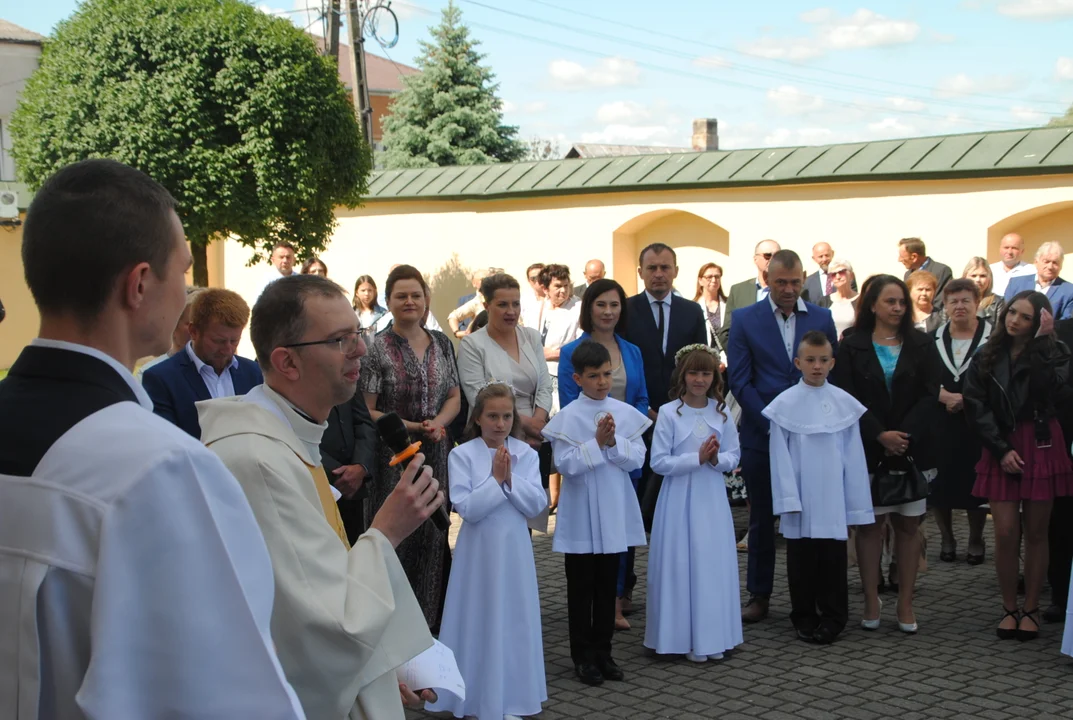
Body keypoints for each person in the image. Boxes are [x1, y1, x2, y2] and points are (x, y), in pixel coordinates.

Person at [0, 158, 303, 717]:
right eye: (183, 271)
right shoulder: (158, 469)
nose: (187, 293)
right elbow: (229, 697)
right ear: (140, 284)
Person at [198, 274, 443, 718]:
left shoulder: (290, 436)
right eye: (340, 340)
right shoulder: (256, 459)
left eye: (358, 334)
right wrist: (386, 532)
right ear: (287, 362)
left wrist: (379, 673)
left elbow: (320, 586)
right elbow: (319, 628)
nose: (361, 350)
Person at [727, 249, 839, 623]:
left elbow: (829, 374)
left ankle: (808, 596)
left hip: (813, 439)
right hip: (764, 434)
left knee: (809, 515)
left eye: (795, 282)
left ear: (803, 279)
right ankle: (759, 595)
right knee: (762, 517)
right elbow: (740, 380)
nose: (789, 290)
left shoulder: (822, 317)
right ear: (768, 281)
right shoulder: (745, 319)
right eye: (781, 283)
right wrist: (773, 422)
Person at [429, 383, 548, 720]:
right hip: (477, 553)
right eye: (493, 416)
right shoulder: (461, 454)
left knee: (512, 616)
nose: (500, 423)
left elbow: (537, 503)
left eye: (507, 416)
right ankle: (472, 697)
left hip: (513, 549)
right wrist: (495, 480)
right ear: (478, 418)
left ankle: (511, 697)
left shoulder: (526, 454)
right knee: (477, 615)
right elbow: (468, 508)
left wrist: (510, 480)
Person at [963, 290, 1073, 641]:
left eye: (1025, 317)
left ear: (1039, 321)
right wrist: (1000, 449)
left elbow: (1053, 392)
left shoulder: (1055, 352)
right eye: (1012, 313)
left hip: (1041, 440)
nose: (1015, 321)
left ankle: (1032, 608)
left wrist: (1041, 347)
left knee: (1038, 533)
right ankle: (1009, 607)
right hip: (1001, 442)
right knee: (1007, 532)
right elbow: (975, 405)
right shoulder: (987, 353)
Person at [833, 275, 939, 635]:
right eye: (890, 301)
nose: (897, 308)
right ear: (873, 304)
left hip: (911, 449)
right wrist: (879, 433)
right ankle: (871, 598)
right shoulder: (852, 345)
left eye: (901, 302)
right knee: (870, 526)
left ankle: (905, 602)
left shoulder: (922, 344)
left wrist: (902, 437)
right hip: (867, 447)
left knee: (909, 526)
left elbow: (930, 394)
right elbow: (845, 395)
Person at [542, 341, 651, 687]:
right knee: (582, 587)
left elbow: (637, 459)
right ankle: (582, 656)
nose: (602, 381)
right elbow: (565, 464)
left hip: (614, 508)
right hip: (581, 515)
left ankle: (604, 651)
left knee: (607, 586)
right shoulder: (568, 417)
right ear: (577, 378)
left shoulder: (623, 412)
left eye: (607, 374)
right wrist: (596, 444)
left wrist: (615, 443)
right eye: (594, 376)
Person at [361, 264, 461, 629]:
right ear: (388, 301)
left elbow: (454, 397)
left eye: (416, 295)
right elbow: (368, 409)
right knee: (396, 538)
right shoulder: (376, 348)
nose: (409, 301)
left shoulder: (443, 343)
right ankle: (392, 628)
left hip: (435, 451)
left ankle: (431, 626)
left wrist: (439, 423)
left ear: (426, 300)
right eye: (401, 295)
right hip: (393, 457)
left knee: (434, 537)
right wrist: (412, 426)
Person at [764, 331, 873, 645]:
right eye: (810, 360)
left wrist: (854, 502)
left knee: (832, 560)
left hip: (832, 498)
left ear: (832, 363)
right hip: (799, 495)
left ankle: (834, 617)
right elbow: (779, 456)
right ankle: (804, 616)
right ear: (798, 362)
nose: (816, 366)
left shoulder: (844, 403)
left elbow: (853, 456)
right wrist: (787, 498)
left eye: (823, 360)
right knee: (801, 561)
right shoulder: (784, 404)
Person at [558, 278, 650, 629]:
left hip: (622, 442)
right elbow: (571, 403)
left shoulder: (632, 350)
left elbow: (640, 396)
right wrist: (596, 434)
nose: (609, 311)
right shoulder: (572, 352)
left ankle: (615, 601)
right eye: (601, 305)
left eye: (615, 305)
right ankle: (596, 610)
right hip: (587, 440)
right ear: (589, 309)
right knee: (590, 544)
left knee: (621, 528)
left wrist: (624, 429)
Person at [645, 345, 742, 661]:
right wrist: (695, 458)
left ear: (714, 376)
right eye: (693, 372)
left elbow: (733, 455)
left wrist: (715, 460)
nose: (699, 379)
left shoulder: (721, 412)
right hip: (678, 499)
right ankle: (679, 637)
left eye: (706, 373)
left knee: (710, 563)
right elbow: (659, 462)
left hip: (711, 498)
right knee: (681, 563)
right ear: (682, 375)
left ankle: (712, 636)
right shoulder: (670, 413)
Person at [458, 273, 555, 525]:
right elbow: (477, 395)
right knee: (498, 512)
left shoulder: (531, 337)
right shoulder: (472, 345)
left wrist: (539, 421)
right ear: (486, 305)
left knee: (528, 513)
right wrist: (524, 426)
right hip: (494, 437)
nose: (511, 311)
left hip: (535, 436)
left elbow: (544, 383)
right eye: (502, 304)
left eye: (516, 303)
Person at [624, 243, 707, 528]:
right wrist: (645, 410)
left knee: (673, 493)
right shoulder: (626, 310)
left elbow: (700, 364)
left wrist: (681, 407)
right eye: (652, 268)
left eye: (664, 267)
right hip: (637, 412)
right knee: (640, 492)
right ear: (640, 272)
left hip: (680, 412)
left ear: (676, 271)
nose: (659, 274)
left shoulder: (692, 311)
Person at [143, 288, 263, 438]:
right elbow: (165, 442)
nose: (227, 349)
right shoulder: (161, 379)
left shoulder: (254, 373)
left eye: (234, 341)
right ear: (193, 331)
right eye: (218, 341)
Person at [930, 279, 992, 565]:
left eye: (965, 300)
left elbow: (999, 379)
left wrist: (967, 399)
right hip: (941, 422)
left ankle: (976, 538)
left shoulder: (993, 339)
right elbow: (923, 378)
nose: (959, 306)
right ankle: (946, 537)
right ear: (945, 305)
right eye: (953, 301)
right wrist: (942, 396)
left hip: (978, 424)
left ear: (976, 303)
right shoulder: (933, 338)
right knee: (941, 485)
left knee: (976, 483)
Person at [321, 384, 378, 544]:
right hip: (320, 483)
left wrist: (361, 466)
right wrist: (337, 474)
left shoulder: (345, 369)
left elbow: (363, 422)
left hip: (355, 487)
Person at [719, 239, 781, 348]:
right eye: (767, 256)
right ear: (756, 259)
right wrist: (740, 357)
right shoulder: (738, 290)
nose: (772, 260)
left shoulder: (787, 291)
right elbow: (726, 333)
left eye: (777, 256)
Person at [540, 263, 583, 414]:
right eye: (558, 286)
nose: (563, 291)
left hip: (564, 375)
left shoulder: (578, 308)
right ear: (545, 289)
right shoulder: (537, 307)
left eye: (566, 285)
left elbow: (582, 345)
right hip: (539, 376)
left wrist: (552, 354)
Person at [135, 285, 203, 381]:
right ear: (173, 326)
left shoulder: (223, 371)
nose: (201, 331)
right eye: (191, 324)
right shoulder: (149, 374)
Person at [1004, 242, 1073, 320]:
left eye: (1055, 263)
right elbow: (1004, 313)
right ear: (1036, 262)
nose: (1050, 267)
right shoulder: (1016, 283)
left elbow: (1066, 324)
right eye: (1046, 261)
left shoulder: (1069, 291)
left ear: (1061, 266)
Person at [897, 237, 952, 307]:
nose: (899, 260)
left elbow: (941, 301)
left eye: (901, 256)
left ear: (914, 257)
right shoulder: (908, 275)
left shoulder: (941, 271)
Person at [694, 261, 728, 366]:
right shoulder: (693, 307)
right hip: (702, 363)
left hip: (727, 362)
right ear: (700, 280)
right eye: (709, 277)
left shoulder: (729, 304)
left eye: (717, 277)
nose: (714, 280)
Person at [816, 258, 859, 339]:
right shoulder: (824, 301)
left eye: (842, 272)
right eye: (833, 274)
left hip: (853, 349)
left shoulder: (861, 300)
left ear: (851, 275)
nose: (838, 277)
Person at [962, 256, 1007, 327]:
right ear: (965, 277)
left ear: (989, 278)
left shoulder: (998, 303)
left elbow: (1000, 332)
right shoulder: (954, 300)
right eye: (973, 276)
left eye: (982, 276)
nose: (978, 280)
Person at [989, 232, 1034, 297]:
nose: (1009, 252)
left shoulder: (1031, 271)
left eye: (1014, 248)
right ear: (1000, 249)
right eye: (1006, 247)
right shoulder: (990, 270)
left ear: (1022, 251)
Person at [521, 262, 547, 330]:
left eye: (540, 277)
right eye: (533, 278)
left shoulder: (555, 299)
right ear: (529, 280)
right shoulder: (523, 299)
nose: (538, 280)